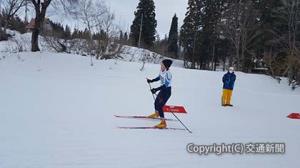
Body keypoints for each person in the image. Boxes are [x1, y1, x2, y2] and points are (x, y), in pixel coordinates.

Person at [147, 59, 173, 129]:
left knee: (160, 106)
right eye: (161, 64)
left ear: (166, 66)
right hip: (162, 90)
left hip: (167, 92)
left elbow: (165, 86)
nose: (160, 66)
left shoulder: (168, 74)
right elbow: (159, 77)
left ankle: (163, 123)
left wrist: (156, 89)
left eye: (162, 65)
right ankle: (156, 114)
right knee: (156, 103)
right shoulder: (162, 71)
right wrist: (151, 80)